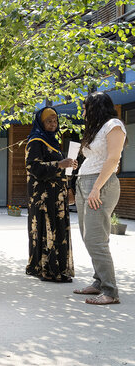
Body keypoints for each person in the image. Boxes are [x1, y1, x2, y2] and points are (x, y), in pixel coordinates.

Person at [73, 92, 126, 305]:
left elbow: (113, 159)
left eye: (86, 108)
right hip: (84, 183)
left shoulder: (114, 125)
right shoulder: (96, 129)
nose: (84, 112)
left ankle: (110, 291)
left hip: (101, 185)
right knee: (89, 237)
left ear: (96, 107)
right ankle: (98, 282)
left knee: (96, 239)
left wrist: (96, 188)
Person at [25, 107, 78, 282]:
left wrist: (69, 166)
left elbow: (59, 168)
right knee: (47, 230)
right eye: (49, 121)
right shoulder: (35, 141)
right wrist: (59, 164)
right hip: (43, 197)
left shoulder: (53, 142)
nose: (53, 124)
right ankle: (46, 270)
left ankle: (58, 268)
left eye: (55, 121)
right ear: (41, 122)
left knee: (59, 231)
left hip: (58, 196)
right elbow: (34, 168)